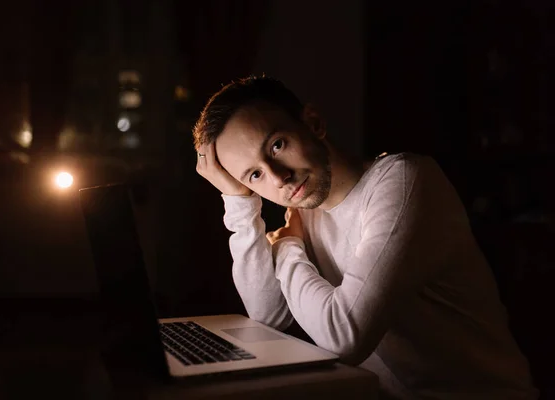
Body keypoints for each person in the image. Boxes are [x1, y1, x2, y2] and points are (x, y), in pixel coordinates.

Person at [193, 76, 537, 399]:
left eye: (277, 145)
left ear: (313, 123)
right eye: (255, 175)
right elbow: (267, 315)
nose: (278, 178)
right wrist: (239, 203)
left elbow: (345, 336)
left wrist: (285, 246)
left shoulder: (403, 181)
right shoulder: (306, 208)